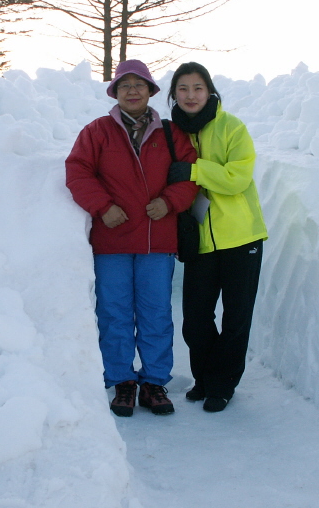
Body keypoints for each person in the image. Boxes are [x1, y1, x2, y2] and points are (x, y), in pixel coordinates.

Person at [65, 59, 198, 417]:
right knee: (114, 313)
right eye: (125, 85)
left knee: (156, 313)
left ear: (152, 91)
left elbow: (190, 177)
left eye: (140, 85)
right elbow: (77, 171)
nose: (133, 91)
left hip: (158, 240)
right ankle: (122, 381)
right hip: (113, 240)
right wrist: (102, 206)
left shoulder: (171, 134)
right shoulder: (97, 132)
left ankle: (154, 382)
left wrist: (169, 201)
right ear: (115, 92)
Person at [166, 62, 268, 413]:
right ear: (173, 94)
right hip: (201, 241)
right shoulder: (172, 133)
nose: (190, 95)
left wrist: (195, 171)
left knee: (236, 317)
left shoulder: (231, 127)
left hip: (242, 238)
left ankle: (222, 386)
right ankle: (204, 378)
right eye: (183, 88)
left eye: (197, 88)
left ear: (209, 91)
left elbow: (237, 177)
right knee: (195, 317)